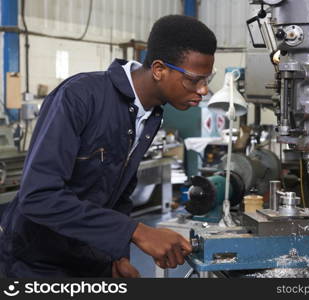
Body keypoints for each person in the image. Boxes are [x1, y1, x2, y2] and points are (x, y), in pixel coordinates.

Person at [0, 15, 217, 278]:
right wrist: (137, 231)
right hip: (36, 262)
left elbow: (119, 193)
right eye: (195, 80)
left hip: (88, 256)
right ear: (159, 69)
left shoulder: (150, 115)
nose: (204, 90)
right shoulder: (80, 97)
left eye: (207, 79)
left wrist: (117, 255)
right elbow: (39, 196)